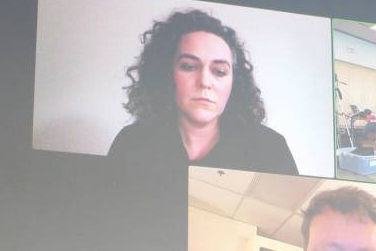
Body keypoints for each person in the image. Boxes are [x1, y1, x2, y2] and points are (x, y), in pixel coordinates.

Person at [107, 9, 298, 176]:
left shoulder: (270, 149)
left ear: (234, 83)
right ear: (167, 73)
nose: (205, 82)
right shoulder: (132, 143)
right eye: (189, 67)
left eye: (219, 71)